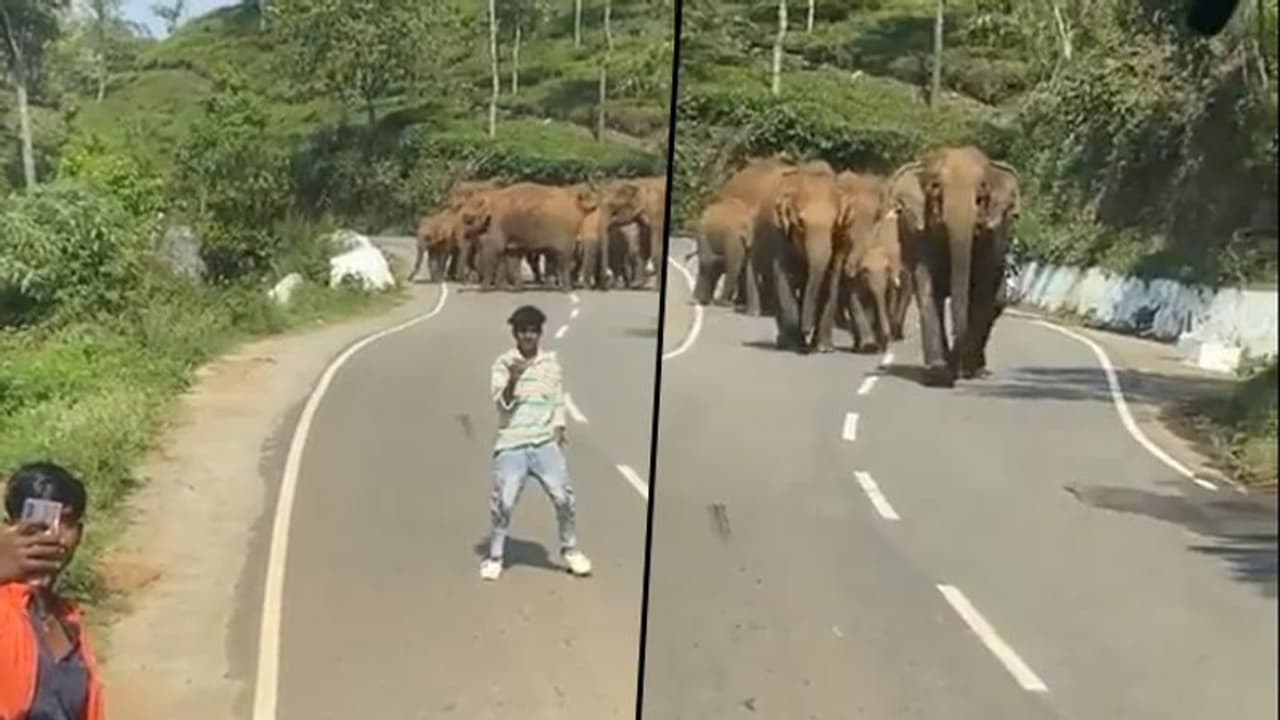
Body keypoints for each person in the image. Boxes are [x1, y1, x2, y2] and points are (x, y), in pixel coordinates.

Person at [482, 305, 592, 581]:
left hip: (544, 443)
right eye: (523, 332)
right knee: (504, 501)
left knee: (563, 497)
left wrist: (559, 425)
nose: (528, 336)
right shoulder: (503, 364)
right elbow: (502, 404)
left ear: (540, 333)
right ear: (515, 334)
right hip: (512, 442)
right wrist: (514, 378)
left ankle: (570, 549)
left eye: (533, 331)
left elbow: (557, 397)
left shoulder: (550, 363)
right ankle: (495, 555)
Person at [0, 462, 105, 720]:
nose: (53, 536)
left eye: (66, 522)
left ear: (79, 534)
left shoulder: (68, 619)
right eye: (39, 522)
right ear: (9, 528)